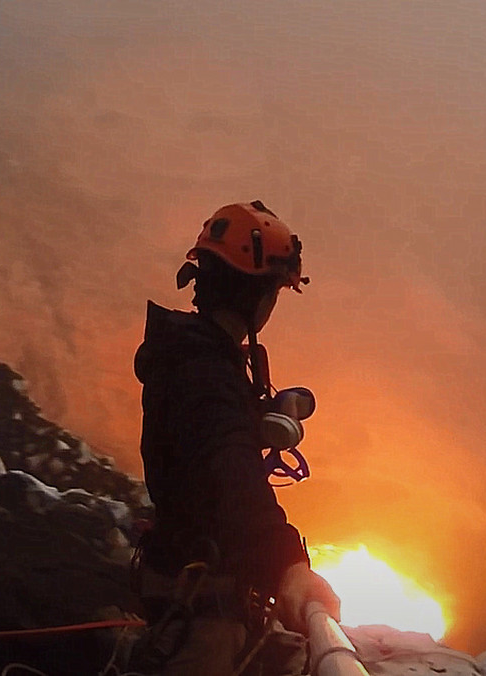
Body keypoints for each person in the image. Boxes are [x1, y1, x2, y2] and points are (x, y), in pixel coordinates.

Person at [128, 201, 341, 675]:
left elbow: (210, 437)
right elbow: (231, 467)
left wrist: (257, 413)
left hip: (185, 586)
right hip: (200, 614)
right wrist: (288, 563)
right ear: (257, 297)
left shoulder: (195, 358)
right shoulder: (205, 374)